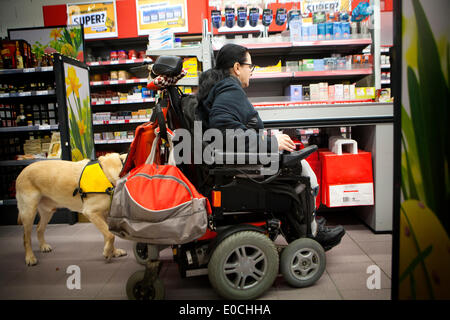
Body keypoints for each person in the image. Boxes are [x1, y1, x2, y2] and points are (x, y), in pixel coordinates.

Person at [197, 43, 345, 251]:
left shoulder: (223, 89)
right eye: (250, 66)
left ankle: (305, 224)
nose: (251, 72)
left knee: (297, 164)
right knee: (302, 172)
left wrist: (269, 138)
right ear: (237, 67)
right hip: (237, 167)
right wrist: (271, 143)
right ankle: (310, 233)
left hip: (232, 160)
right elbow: (225, 136)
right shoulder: (229, 91)